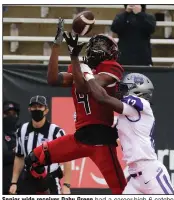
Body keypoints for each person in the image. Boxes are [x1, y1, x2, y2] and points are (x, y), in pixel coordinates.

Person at [25, 19, 127, 194]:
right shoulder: (79, 68)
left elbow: (86, 87)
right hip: (79, 138)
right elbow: (52, 79)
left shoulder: (111, 67)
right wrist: (56, 46)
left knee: (123, 191)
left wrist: (74, 59)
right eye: (97, 44)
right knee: (33, 160)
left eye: (103, 45)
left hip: (101, 140)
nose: (98, 47)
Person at [80, 68, 174, 194]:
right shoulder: (125, 116)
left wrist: (89, 77)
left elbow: (103, 98)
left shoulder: (143, 105)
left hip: (150, 173)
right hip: (135, 178)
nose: (120, 91)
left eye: (124, 88)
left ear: (137, 90)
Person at [9, 95, 71, 195]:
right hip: (29, 179)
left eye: (40, 106)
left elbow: (68, 157)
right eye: (34, 107)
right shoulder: (22, 130)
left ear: (46, 110)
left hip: (50, 179)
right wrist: (14, 182)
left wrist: (66, 185)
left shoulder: (56, 132)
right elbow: (19, 157)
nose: (36, 109)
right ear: (29, 109)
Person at [3, 101, 20, 194]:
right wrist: (17, 153)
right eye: (7, 114)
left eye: (14, 114)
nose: (11, 116)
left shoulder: (21, 132)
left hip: (19, 183)